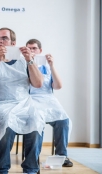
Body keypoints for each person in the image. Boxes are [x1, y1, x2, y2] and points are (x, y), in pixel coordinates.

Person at [0, 28, 45, 174]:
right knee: (6, 120)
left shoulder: (24, 62)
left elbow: (38, 83)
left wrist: (30, 60)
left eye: (4, 38)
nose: (0, 40)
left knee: (37, 118)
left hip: (23, 104)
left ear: (13, 43)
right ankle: (2, 168)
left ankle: (31, 169)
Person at [26, 39, 73, 167]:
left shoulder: (47, 66)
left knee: (63, 120)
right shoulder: (23, 65)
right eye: (29, 48)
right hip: (31, 99)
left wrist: (52, 65)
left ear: (40, 51)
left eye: (34, 48)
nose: (32, 51)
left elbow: (58, 86)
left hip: (48, 98)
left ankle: (61, 156)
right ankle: (33, 156)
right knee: (37, 121)